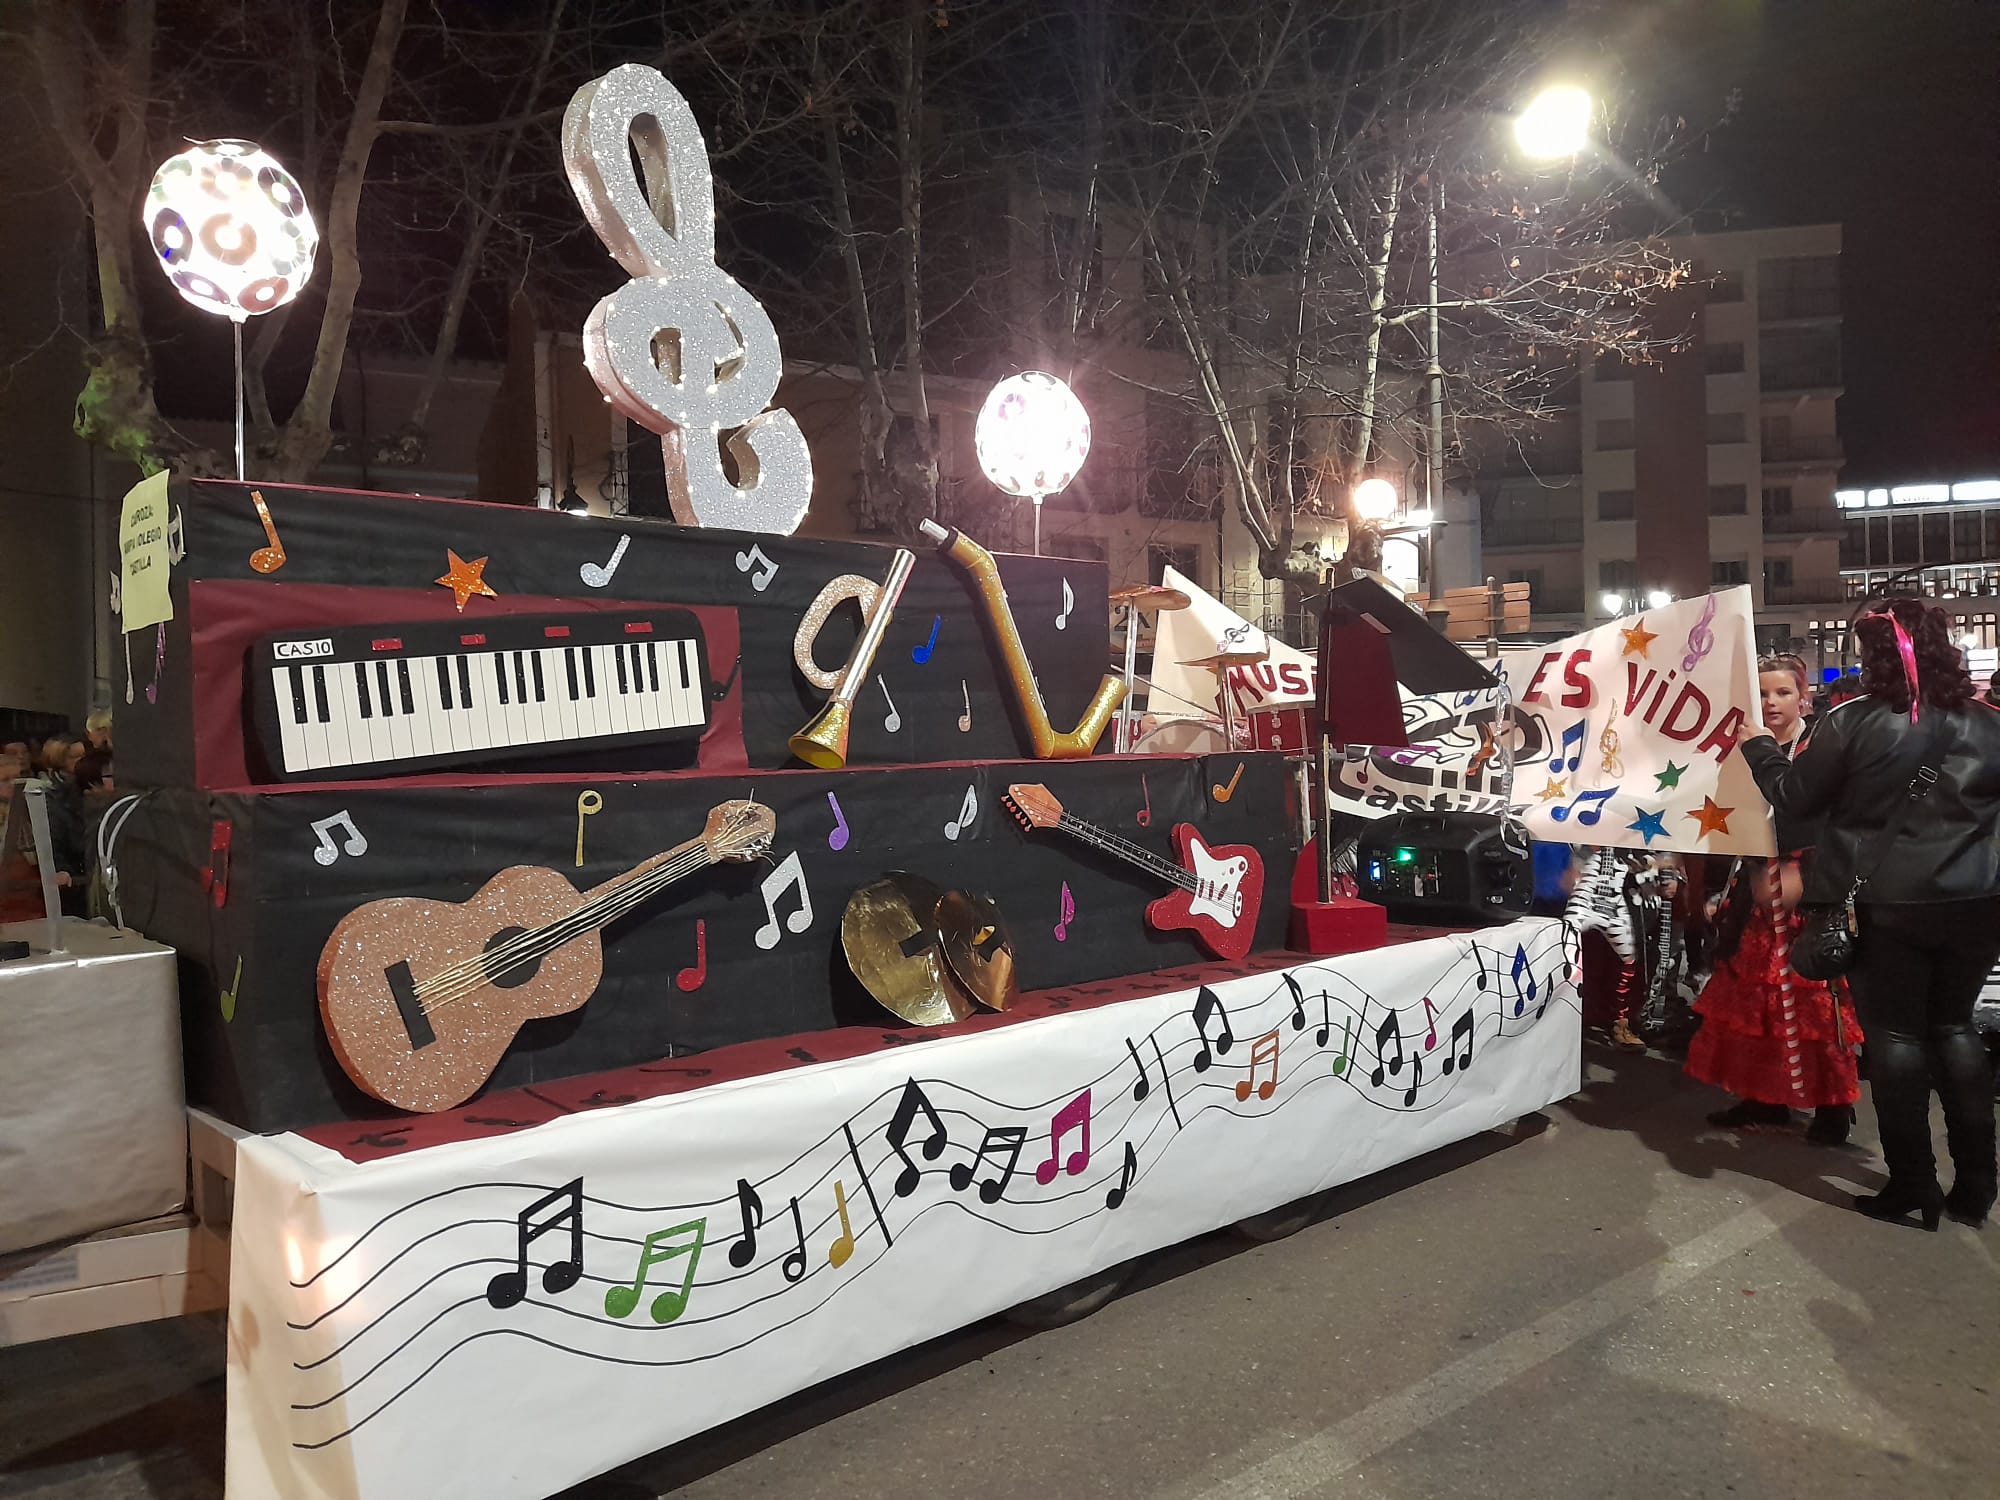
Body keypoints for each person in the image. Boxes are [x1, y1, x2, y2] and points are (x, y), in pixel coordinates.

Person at [1742, 597, 2000, 1230]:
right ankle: (1976, 1187)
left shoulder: (1853, 720)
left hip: (1886, 902)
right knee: (1955, 1029)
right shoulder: (1990, 722)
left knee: (1898, 1039)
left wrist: (1759, 749)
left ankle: (1913, 1182)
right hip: (1977, 899)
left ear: (1872, 654)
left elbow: (1796, 799)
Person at [1685, 653, 1862, 1144]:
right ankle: (1765, 1097)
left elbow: (1830, 814)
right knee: (1756, 1000)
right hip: (1756, 890)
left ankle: (1833, 1103)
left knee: (1817, 1005)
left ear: (1803, 696)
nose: (1772, 702)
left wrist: (1802, 870)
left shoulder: (1822, 742)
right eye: (1762, 694)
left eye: (1783, 692)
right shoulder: (1736, 749)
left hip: (1811, 890)